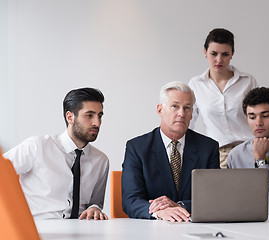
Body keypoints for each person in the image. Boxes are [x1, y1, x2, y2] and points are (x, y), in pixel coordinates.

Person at [3, 87, 109, 220]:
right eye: (89, 115)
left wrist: (94, 208)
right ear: (70, 117)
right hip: (39, 229)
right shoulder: (37, 147)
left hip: (82, 231)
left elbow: (95, 202)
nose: (97, 123)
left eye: (99, 116)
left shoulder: (101, 160)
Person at [122, 81, 220, 222]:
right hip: (151, 230)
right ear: (160, 110)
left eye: (187, 108)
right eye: (175, 106)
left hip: (194, 226)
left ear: (192, 113)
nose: (181, 113)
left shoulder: (208, 147)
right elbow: (130, 200)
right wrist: (160, 212)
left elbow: (214, 198)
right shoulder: (137, 148)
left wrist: (180, 206)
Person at [189, 28, 258, 168]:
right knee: (220, 189)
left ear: (232, 53)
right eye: (213, 54)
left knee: (255, 189)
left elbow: (261, 115)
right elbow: (188, 122)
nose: (219, 60)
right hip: (217, 154)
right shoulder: (195, 85)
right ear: (205, 52)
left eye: (225, 54)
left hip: (249, 150)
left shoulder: (247, 81)